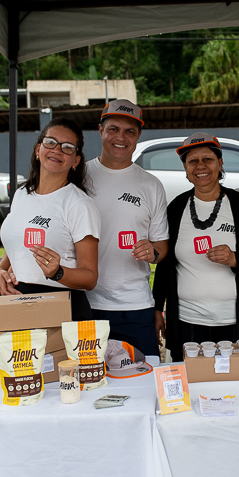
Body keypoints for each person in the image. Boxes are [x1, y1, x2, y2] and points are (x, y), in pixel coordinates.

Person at [153, 132, 239, 361]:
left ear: (220, 163)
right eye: (193, 161)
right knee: (191, 380)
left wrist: (235, 259)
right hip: (187, 322)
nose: (200, 166)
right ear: (185, 168)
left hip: (234, 322)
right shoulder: (176, 208)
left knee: (235, 380)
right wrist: (157, 307)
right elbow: (165, 262)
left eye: (207, 159)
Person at [0, 117, 100, 320]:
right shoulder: (22, 194)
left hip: (62, 308)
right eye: (50, 142)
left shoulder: (79, 204)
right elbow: (18, 249)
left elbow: (90, 278)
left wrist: (58, 272)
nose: (57, 150)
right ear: (38, 150)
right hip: (19, 304)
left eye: (67, 147)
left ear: (76, 160)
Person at [86, 99, 168, 357]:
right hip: (87, 303)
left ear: (138, 136)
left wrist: (152, 252)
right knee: (91, 377)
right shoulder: (78, 177)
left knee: (146, 376)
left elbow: (162, 245)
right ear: (101, 130)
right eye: (113, 129)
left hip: (136, 305)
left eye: (129, 131)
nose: (121, 137)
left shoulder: (151, 185)